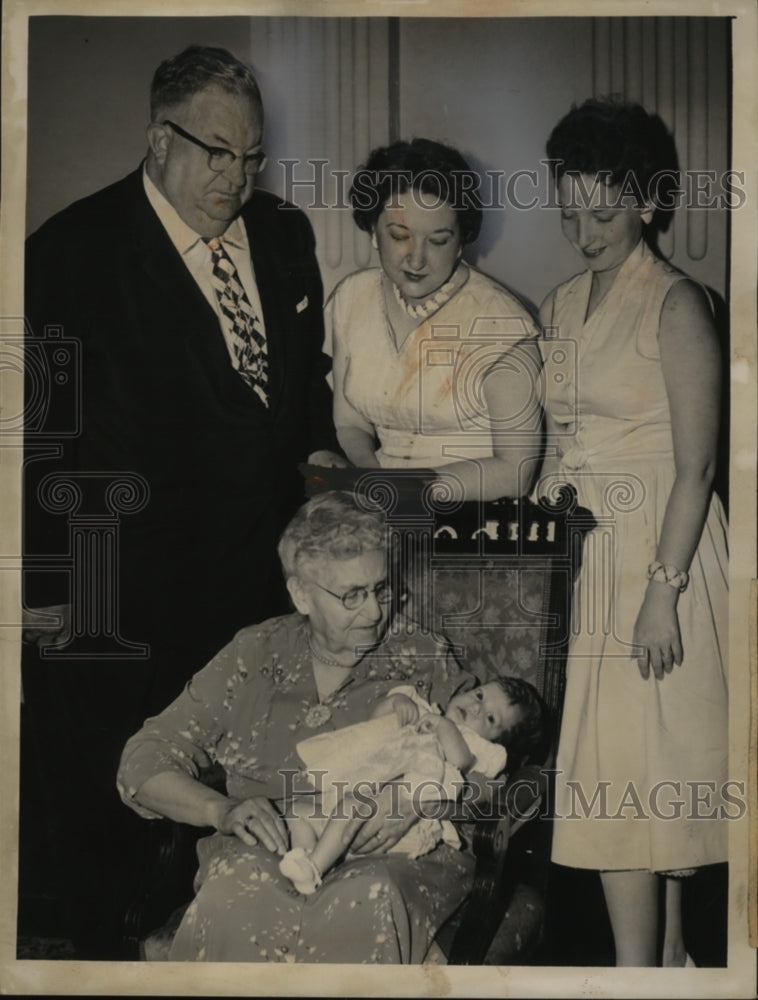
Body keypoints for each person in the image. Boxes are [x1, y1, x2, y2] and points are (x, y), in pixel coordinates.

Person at [21, 45, 343, 957]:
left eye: (251, 158)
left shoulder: (284, 238)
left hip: (253, 594)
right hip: (119, 597)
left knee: (243, 826)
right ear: (158, 138)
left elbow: (299, 399)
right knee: (115, 829)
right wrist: (44, 589)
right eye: (215, 152)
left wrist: (322, 465)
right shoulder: (70, 252)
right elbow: (37, 437)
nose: (235, 179)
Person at [117, 491, 481, 963]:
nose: (374, 612)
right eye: (352, 595)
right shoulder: (254, 654)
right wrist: (221, 811)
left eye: (381, 588)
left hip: (389, 855)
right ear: (301, 594)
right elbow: (143, 760)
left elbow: (492, 770)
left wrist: (418, 802)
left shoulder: (422, 654)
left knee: (365, 900)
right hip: (268, 848)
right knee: (235, 899)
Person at [538, 98, 728, 967]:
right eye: (570, 212)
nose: (584, 232)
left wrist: (664, 592)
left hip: (665, 553)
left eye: (603, 212)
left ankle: (634, 978)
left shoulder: (679, 304)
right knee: (633, 772)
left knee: (638, 778)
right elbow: (565, 432)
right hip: (595, 554)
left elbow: (695, 468)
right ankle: (675, 964)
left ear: (648, 202)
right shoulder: (562, 305)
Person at [326, 138, 543, 503]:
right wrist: (371, 475)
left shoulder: (502, 322)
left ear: (461, 242)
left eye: (438, 241)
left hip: (476, 517)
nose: (416, 260)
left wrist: (401, 490)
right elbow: (350, 424)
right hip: (383, 507)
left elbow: (515, 472)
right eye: (399, 236)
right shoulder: (352, 299)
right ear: (373, 232)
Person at [278, 675, 544, 895]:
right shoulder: (422, 710)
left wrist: (443, 727)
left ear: (494, 743)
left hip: (402, 824)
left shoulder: (474, 747)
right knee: (297, 811)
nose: (476, 707)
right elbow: (375, 724)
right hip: (350, 804)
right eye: (479, 696)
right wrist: (395, 702)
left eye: (490, 719)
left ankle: (314, 867)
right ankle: (307, 858)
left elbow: (460, 761)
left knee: (351, 806)